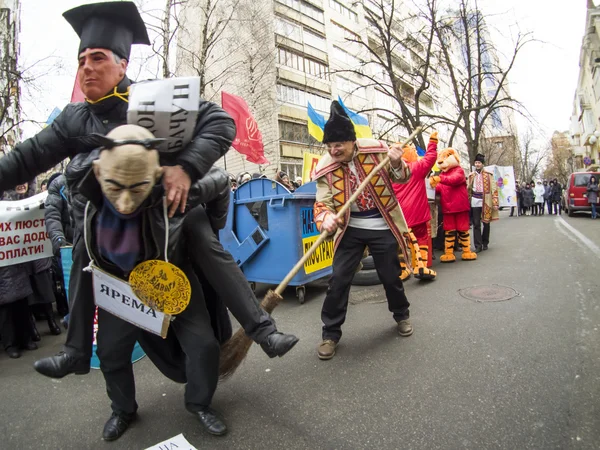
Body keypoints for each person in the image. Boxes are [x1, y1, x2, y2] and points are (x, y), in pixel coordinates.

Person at [0, 2, 294, 379]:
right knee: (86, 263)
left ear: (123, 65)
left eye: (97, 58)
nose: (86, 67)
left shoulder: (155, 99)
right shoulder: (74, 118)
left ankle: (263, 331)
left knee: (203, 238)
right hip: (112, 239)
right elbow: (26, 158)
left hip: (168, 222)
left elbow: (220, 123)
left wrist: (185, 168)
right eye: (81, 60)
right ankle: (77, 353)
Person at [81, 125, 230, 439]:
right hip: (121, 285)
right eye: (116, 185)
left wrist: (213, 226)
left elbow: (220, 182)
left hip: (170, 277)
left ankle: (200, 402)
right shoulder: (87, 203)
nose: (124, 202)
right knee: (110, 351)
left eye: (135, 186)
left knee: (203, 345)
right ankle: (122, 409)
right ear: (99, 173)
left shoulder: (174, 192)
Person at [312, 101, 413, 360]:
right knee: (338, 279)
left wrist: (397, 163)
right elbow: (322, 200)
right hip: (351, 228)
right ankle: (330, 334)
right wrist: (325, 217)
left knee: (390, 275)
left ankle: (401, 315)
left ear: (352, 142)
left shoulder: (377, 151)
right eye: (329, 146)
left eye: (338, 145)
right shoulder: (325, 167)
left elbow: (402, 177)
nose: (333, 151)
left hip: (382, 224)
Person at [392, 132, 439, 279]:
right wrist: (432, 142)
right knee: (421, 238)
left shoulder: (388, 171)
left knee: (400, 243)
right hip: (417, 213)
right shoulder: (417, 167)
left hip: (398, 215)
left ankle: (403, 269)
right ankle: (421, 266)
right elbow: (431, 158)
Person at [467, 153, 499, 252]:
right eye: (476, 162)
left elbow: (494, 188)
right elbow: (468, 189)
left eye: (479, 163)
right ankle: (478, 245)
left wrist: (495, 202)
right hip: (475, 200)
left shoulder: (489, 175)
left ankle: (485, 242)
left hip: (486, 200)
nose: (477, 164)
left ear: (482, 164)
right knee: (476, 223)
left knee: (486, 222)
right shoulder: (471, 175)